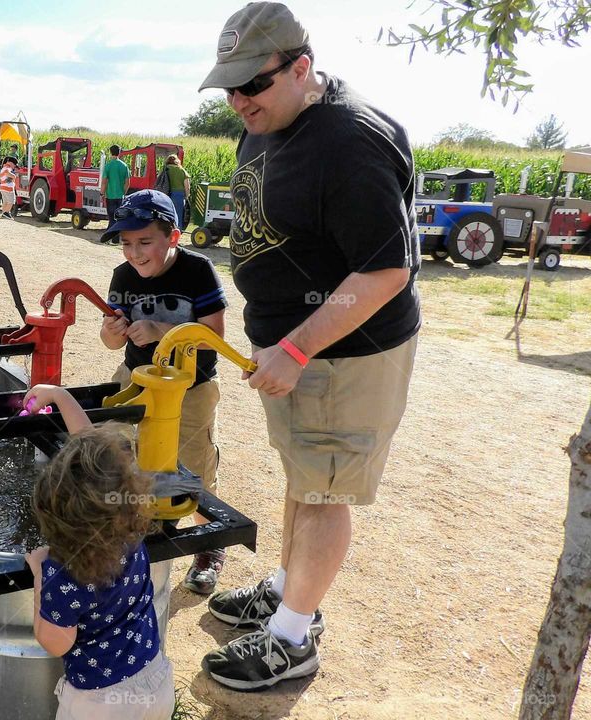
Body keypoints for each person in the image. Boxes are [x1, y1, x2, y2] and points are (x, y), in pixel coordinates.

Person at [195, 2, 421, 692]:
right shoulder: (269, 119)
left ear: (300, 67)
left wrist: (294, 349)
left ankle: (293, 634)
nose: (238, 102)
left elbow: (387, 269)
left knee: (323, 495)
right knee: (304, 478)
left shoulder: (348, 141)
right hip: (295, 347)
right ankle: (288, 586)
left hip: (341, 353)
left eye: (251, 86)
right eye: (228, 88)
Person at [99, 189, 229, 595]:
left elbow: (216, 335)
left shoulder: (199, 271)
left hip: (190, 387)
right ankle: (137, 529)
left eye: (144, 242)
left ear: (172, 237)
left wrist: (162, 332)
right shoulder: (123, 277)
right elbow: (110, 342)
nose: (134, 254)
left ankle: (209, 548)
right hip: (137, 380)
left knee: (193, 467)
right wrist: (111, 332)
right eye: (125, 243)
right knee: (121, 453)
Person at [24, 384, 175, 720]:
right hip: (156, 681)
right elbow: (95, 458)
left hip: (98, 704)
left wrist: (39, 573)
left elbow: (55, 642)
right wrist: (60, 396)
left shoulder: (63, 575)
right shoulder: (132, 529)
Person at [100, 145, 130, 240]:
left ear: (110, 152)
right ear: (119, 152)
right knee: (118, 218)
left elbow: (104, 182)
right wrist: (123, 192)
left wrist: (102, 193)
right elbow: (127, 182)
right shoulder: (124, 166)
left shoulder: (108, 166)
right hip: (119, 196)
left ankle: (109, 236)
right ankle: (115, 239)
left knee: (111, 218)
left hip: (110, 196)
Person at [164, 155, 191, 232]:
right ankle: (177, 234)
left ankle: (167, 232)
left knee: (167, 214)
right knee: (178, 216)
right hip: (179, 195)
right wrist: (186, 196)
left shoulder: (165, 169)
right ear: (177, 161)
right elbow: (187, 186)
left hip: (166, 194)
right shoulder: (181, 170)